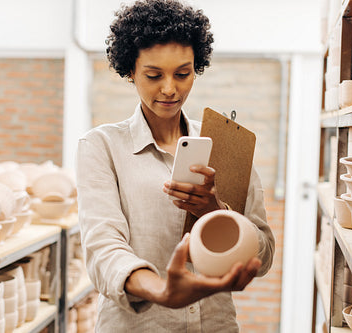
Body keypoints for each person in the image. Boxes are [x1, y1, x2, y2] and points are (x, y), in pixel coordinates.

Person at [76, 0, 275, 331]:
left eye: (183, 73)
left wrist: (216, 212)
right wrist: (163, 291)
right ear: (130, 71)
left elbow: (264, 255)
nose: (170, 89)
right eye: (153, 75)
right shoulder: (102, 147)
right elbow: (103, 249)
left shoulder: (227, 144)